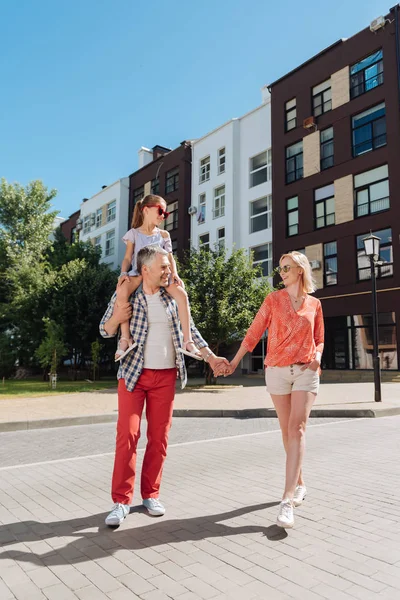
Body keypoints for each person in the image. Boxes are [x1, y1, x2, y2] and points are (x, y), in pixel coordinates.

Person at [100, 245, 229, 526]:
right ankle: (121, 501)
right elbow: (105, 329)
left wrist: (210, 356)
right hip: (134, 375)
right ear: (145, 270)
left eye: (168, 267)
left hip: (165, 376)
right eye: (163, 267)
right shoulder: (127, 294)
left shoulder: (173, 297)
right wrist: (118, 319)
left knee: (158, 439)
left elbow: (190, 331)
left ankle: (150, 495)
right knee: (128, 435)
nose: (168, 271)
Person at [221, 251, 324, 529]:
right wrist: (234, 362)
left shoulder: (314, 304)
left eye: (287, 267)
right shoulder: (273, 300)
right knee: (285, 431)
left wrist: (318, 358)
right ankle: (300, 482)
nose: (282, 272)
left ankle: (287, 500)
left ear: (300, 269)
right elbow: (254, 332)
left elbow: (320, 339)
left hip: (305, 372)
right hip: (277, 371)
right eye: (279, 269)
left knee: (297, 429)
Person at [114, 193, 201, 362]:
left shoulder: (163, 235)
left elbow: (170, 258)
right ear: (146, 210)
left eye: (166, 214)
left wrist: (174, 274)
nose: (163, 216)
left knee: (182, 294)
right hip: (139, 273)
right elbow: (127, 258)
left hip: (160, 274)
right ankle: (125, 338)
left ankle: (188, 341)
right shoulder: (134, 234)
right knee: (122, 291)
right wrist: (123, 274)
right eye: (161, 211)